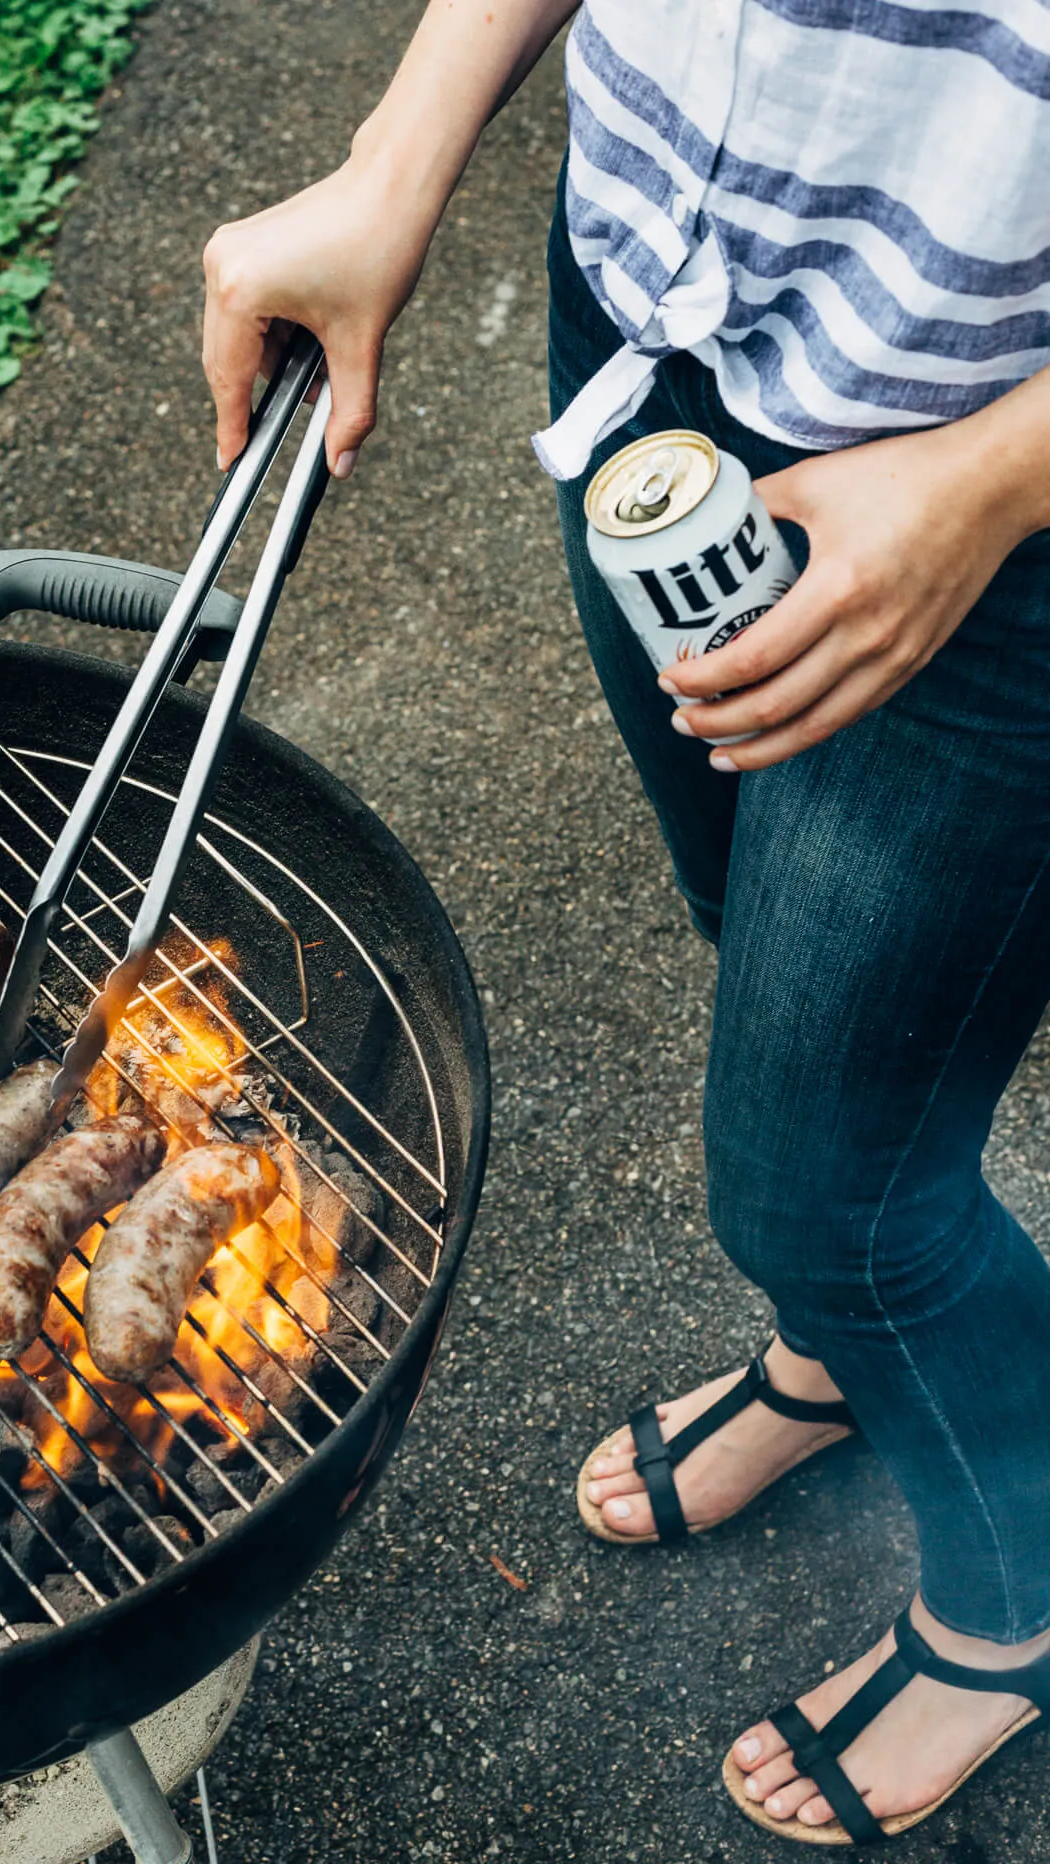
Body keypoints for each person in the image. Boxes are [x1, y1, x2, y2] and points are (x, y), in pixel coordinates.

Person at [200, 0, 1050, 1846]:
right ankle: (838, 1353)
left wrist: (997, 478)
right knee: (754, 929)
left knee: (831, 1185)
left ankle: (1011, 1605)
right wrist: (394, 157)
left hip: (992, 472)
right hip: (658, 339)